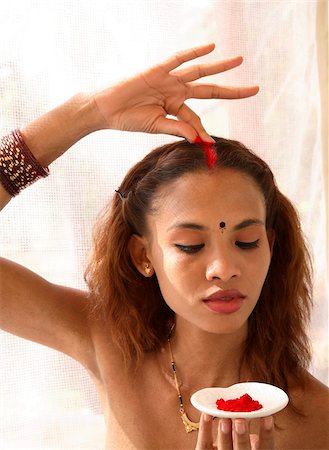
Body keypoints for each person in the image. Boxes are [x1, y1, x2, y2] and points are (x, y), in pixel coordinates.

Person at [0, 43, 328, 450]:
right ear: (143, 256)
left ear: (272, 246)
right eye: (191, 245)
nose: (223, 267)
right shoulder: (108, 343)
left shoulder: (317, 419)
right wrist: (89, 113)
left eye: (246, 241)